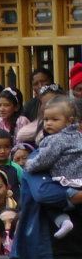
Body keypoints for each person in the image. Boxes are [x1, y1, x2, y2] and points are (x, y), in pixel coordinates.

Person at [23, 96, 82, 239]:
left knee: (52, 206)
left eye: (55, 120)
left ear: (70, 121)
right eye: (46, 119)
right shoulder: (75, 137)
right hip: (59, 250)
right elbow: (43, 193)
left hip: (66, 180)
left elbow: (44, 160)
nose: (49, 123)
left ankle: (63, 221)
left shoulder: (56, 140)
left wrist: (29, 166)